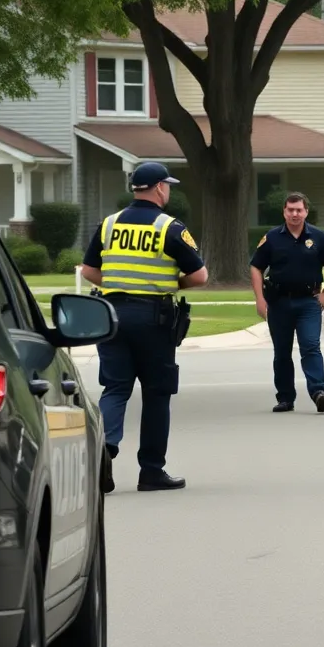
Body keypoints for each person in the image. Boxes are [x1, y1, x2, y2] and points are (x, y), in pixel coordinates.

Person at [81, 161, 209, 494]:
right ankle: (151, 471)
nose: (168, 190)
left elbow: (89, 271)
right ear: (158, 188)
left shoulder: (109, 224)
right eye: (167, 185)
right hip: (153, 319)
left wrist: (120, 283)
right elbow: (199, 276)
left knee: (116, 388)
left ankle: (104, 452)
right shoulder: (169, 227)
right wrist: (167, 284)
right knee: (156, 394)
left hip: (111, 317)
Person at [249, 191, 324, 413]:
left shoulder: (318, 237)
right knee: (282, 351)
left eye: (299, 210)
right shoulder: (272, 238)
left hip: (308, 303)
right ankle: (285, 398)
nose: (294, 214)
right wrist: (259, 299)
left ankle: (319, 392)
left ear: (306, 212)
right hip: (278, 302)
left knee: (310, 346)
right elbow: (256, 267)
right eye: (290, 210)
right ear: (284, 212)